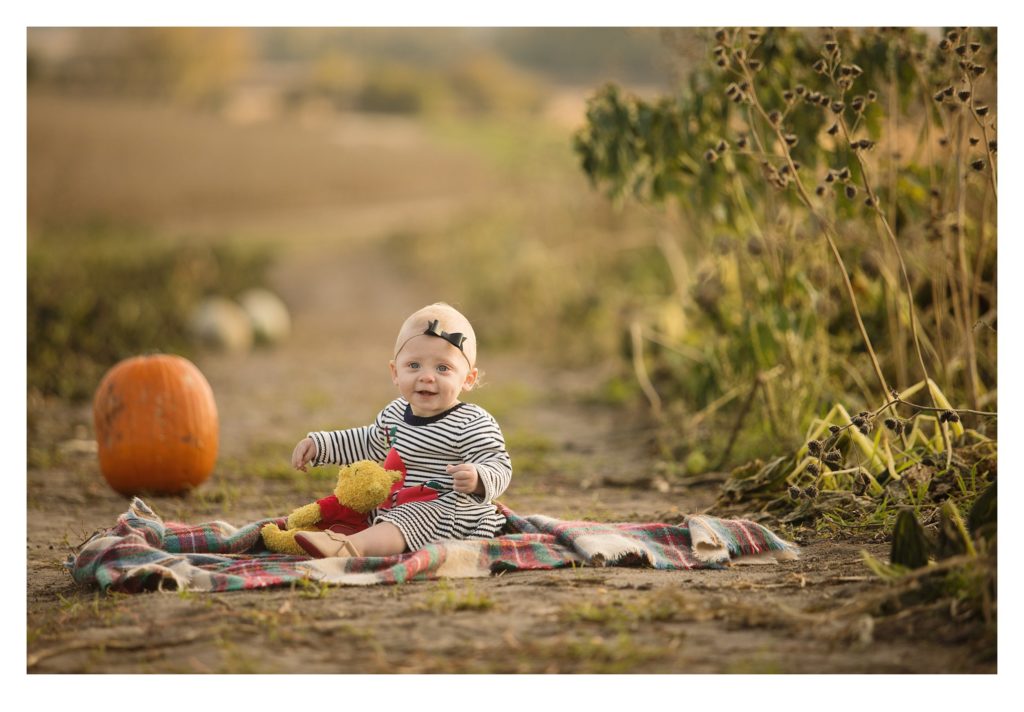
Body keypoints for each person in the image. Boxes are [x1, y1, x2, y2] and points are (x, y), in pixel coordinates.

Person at [289, 303, 512, 559]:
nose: (427, 376)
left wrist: (478, 477)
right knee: (357, 504)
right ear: (395, 372)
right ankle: (321, 532)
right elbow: (368, 442)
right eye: (414, 366)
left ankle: (350, 547)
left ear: (468, 379)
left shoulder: (471, 422)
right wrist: (321, 445)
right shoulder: (395, 413)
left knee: (411, 516)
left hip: (451, 513)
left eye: (443, 368)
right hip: (399, 504)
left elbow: (499, 464)